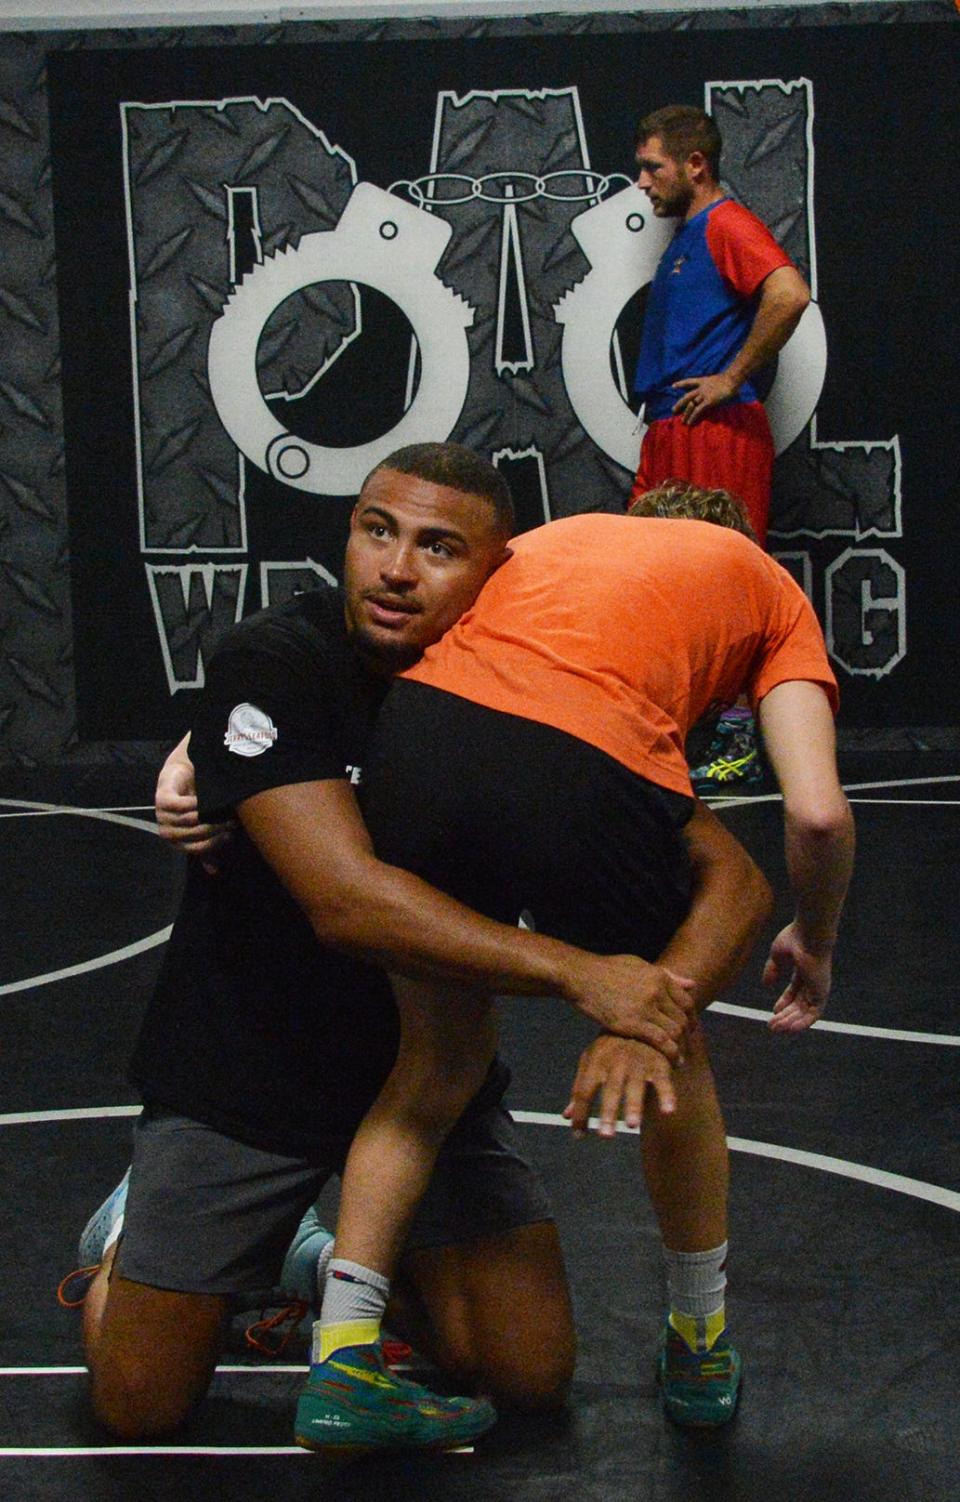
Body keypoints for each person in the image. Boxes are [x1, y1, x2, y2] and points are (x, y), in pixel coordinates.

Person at [79, 445, 770, 1452]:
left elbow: (737, 879)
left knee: (527, 1368)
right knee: (138, 1400)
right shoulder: (279, 659)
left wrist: (656, 1008)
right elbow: (350, 905)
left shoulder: (540, 685)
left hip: (427, 1083)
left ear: (504, 574)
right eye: (376, 531)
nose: (395, 568)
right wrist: (585, 973)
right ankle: (128, 1234)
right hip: (245, 1076)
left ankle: (318, 1262)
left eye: (439, 548)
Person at [316, 500, 853, 1442]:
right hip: (585, 758)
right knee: (672, 1050)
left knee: (433, 1065)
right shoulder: (769, 589)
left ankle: (344, 1358)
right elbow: (815, 815)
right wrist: (819, 938)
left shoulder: (562, 537)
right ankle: (698, 1337)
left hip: (417, 736)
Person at [630, 103, 812, 790]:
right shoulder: (685, 238)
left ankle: (737, 744)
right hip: (671, 428)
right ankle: (677, 732)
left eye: (652, 167)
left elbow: (790, 294)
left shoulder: (725, 223)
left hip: (718, 430)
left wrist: (732, 376)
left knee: (724, 585)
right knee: (660, 583)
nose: (642, 181)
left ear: (695, 164)